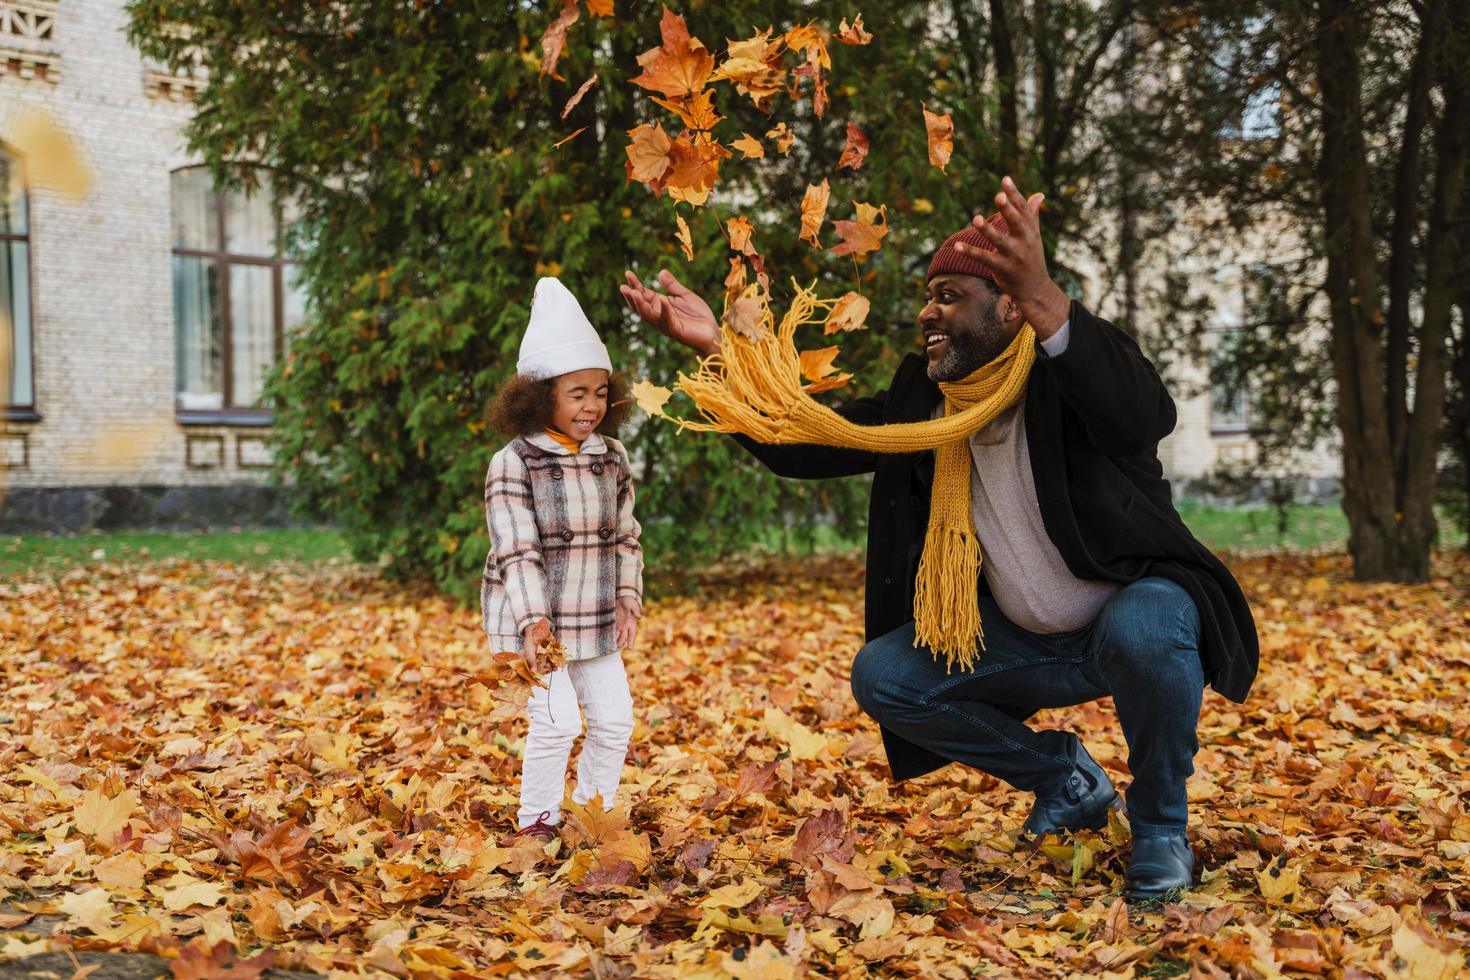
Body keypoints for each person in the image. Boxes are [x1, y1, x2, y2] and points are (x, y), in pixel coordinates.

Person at [620, 178, 1258, 902]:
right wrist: (723, 350)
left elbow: (1142, 414)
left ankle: (1159, 831)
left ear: (1009, 306)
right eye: (929, 295)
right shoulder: (922, 397)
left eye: (950, 294)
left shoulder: (1070, 376)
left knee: (1149, 622)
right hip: (1019, 642)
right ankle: (1065, 778)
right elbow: (805, 441)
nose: (927, 310)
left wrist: (1048, 297)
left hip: (1127, 623)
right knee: (885, 675)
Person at [482, 276, 644, 840]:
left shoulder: (613, 456)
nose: (592, 406)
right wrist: (534, 623)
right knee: (557, 724)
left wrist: (627, 597)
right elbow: (516, 549)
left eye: (600, 392)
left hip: (596, 613)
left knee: (614, 720)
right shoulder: (515, 462)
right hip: (540, 620)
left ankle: (590, 812)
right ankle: (539, 823)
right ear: (540, 394)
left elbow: (625, 536)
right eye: (577, 393)